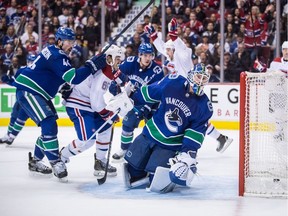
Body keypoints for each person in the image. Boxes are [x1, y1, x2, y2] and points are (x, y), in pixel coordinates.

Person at [12, 27, 107, 181]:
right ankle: (55, 162)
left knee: (49, 126)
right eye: (69, 41)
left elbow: (57, 78)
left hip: (37, 93)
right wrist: (91, 66)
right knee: (49, 123)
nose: (72, 45)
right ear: (59, 41)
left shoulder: (55, 53)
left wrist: (65, 88)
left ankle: (36, 161)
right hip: (30, 91)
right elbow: (73, 78)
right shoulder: (57, 55)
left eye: (73, 41)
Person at [145, 18, 233, 153]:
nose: (166, 52)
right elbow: (163, 48)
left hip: (190, 91)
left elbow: (182, 49)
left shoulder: (183, 57)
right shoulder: (171, 56)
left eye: (169, 49)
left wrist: (174, 36)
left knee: (190, 120)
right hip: (180, 92)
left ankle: (185, 146)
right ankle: (220, 138)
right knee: (191, 119)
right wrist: (154, 37)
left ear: (174, 49)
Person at [123, 63, 213, 191]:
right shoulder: (173, 82)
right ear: (191, 76)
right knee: (132, 172)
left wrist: (186, 155)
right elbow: (150, 92)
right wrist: (131, 97)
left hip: (170, 145)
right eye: (199, 76)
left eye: (204, 79)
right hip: (150, 133)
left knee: (157, 181)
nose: (201, 81)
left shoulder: (204, 107)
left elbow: (194, 135)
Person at [59, 44, 129, 177]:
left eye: (120, 59)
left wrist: (125, 83)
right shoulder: (105, 72)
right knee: (87, 140)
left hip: (87, 103)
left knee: (106, 126)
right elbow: (96, 102)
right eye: (117, 59)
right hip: (78, 104)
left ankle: (100, 161)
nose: (119, 62)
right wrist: (108, 114)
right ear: (109, 58)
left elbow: (120, 78)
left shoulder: (106, 66)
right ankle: (61, 157)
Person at [111, 43, 164, 160]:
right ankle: (125, 149)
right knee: (128, 123)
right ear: (140, 55)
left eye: (150, 55)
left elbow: (157, 93)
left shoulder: (157, 71)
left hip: (153, 102)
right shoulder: (131, 62)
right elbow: (118, 74)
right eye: (145, 55)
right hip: (134, 100)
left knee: (152, 127)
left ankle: (154, 151)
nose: (147, 58)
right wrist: (116, 85)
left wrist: (147, 108)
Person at [0, 54, 37, 145]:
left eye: (33, 61)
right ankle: (8, 135)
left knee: (21, 118)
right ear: (27, 61)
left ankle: (11, 137)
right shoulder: (22, 70)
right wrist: (7, 79)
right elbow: (14, 82)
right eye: (30, 61)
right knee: (14, 116)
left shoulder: (38, 72)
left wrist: (8, 80)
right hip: (20, 99)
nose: (31, 63)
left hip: (31, 100)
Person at [266, 41, 288, 142]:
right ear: (282, 50)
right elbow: (269, 76)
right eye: (284, 49)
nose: (286, 52)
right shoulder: (275, 62)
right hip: (280, 93)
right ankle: (279, 132)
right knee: (279, 113)